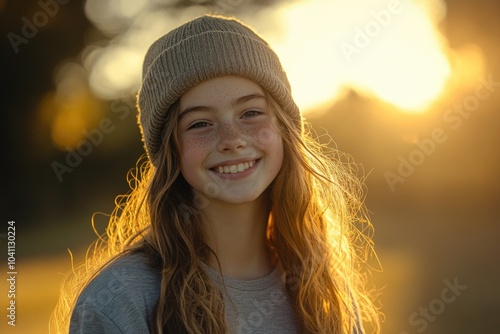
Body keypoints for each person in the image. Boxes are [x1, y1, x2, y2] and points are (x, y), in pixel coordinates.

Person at [51, 14, 381, 334]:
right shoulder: (120, 302)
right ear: (171, 152)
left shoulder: (321, 291)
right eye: (200, 123)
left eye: (251, 113)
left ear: (285, 130)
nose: (232, 140)